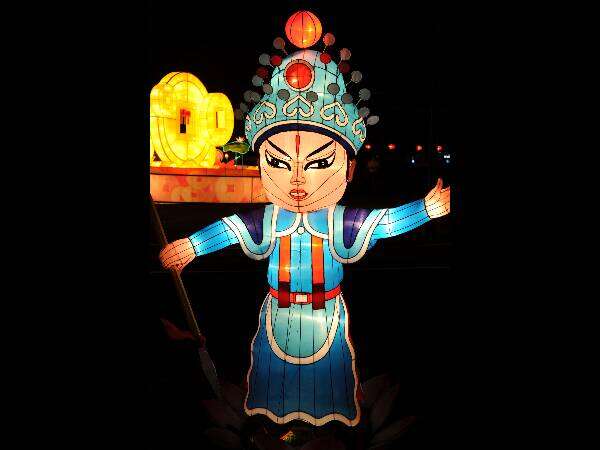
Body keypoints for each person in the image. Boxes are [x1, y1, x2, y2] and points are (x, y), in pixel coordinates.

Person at [159, 49, 450, 427]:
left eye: (319, 163)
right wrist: (192, 246)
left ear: (349, 169)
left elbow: (384, 223)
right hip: (275, 316)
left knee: (328, 397)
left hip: (326, 316)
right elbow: (230, 228)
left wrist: (425, 209)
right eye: (278, 162)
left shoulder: (338, 222)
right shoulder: (269, 218)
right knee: (272, 396)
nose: (297, 179)